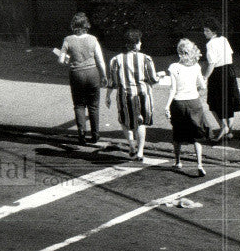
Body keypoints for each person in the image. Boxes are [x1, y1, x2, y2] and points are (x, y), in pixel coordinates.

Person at [105, 27, 162, 162]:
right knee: (141, 121)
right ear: (136, 43)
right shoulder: (146, 59)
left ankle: (131, 145)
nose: (141, 44)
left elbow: (112, 82)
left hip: (124, 94)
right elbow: (153, 79)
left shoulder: (116, 60)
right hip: (143, 94)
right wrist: (161, 75)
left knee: (125, 120)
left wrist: (107, 96)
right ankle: (140, 152)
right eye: (140, 41)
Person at [58, 12, 108, 144]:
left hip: (76, 74)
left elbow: (61, 60)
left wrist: (67, 58)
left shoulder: (68, 39)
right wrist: (104, 75)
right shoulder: (93, 39)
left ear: (74, 25)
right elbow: (100, 60)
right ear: (86, 25)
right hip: (92, 73)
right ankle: (95, 135)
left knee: (79, 105)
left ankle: (81, 134)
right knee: (94, 106)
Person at [165, 38, 209, 177]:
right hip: (194, 102)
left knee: (177, 134)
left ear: (179, 53)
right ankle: (200, 164)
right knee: (196, 135)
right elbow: (203, 86)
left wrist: (166, 106)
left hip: (178, 103)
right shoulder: (196, 67)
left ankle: (178, 161)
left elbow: (173, 89)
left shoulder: (174, 67)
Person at [202, 18, 240, 140]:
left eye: (207, 31)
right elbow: (230, 55)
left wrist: (205, 77)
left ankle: (223, 126)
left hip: (218, 74)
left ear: (213, 32)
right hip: (229, 71)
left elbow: (211, 64)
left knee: (213, 102)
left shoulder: (210, 44)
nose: (205, 33)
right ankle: (230, 130)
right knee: (229, 100)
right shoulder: (224, 40)